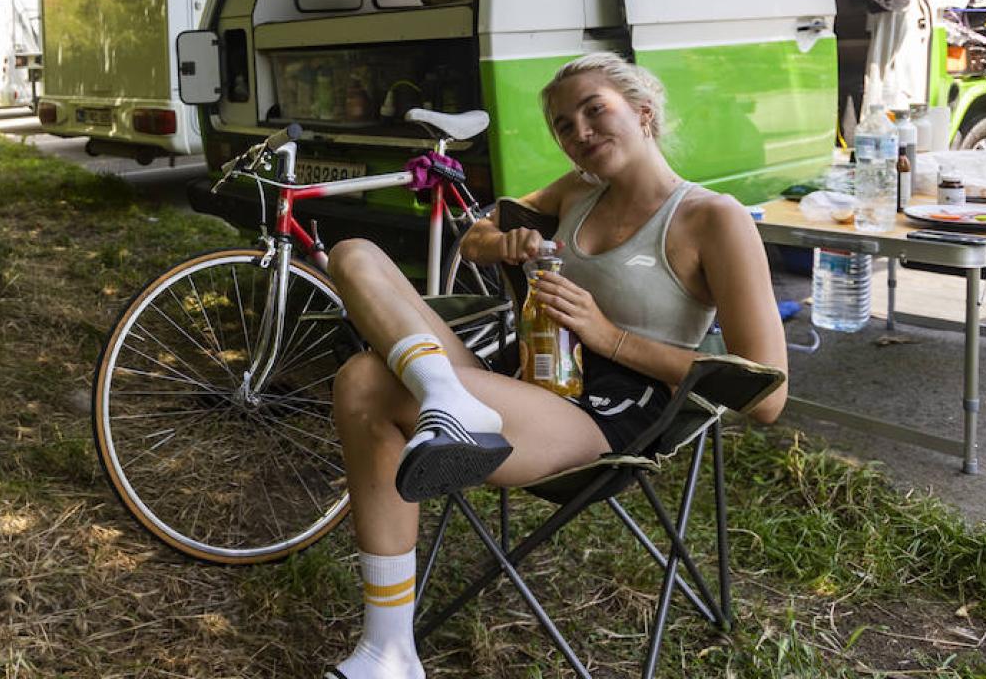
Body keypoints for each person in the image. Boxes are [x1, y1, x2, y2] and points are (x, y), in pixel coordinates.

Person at [320, 53, 788, 679]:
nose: (580, 133)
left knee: (363, 381)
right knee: (353, 254)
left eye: (595, 110)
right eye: (565, 126)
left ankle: (389, 655)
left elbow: (766, 394)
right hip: (520, 379)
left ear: (643, 111)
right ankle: (445, 407)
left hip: (607, 415)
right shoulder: (576, 193)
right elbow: (480, 233)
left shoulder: (712, 219)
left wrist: (609, 336)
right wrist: (502, 242)